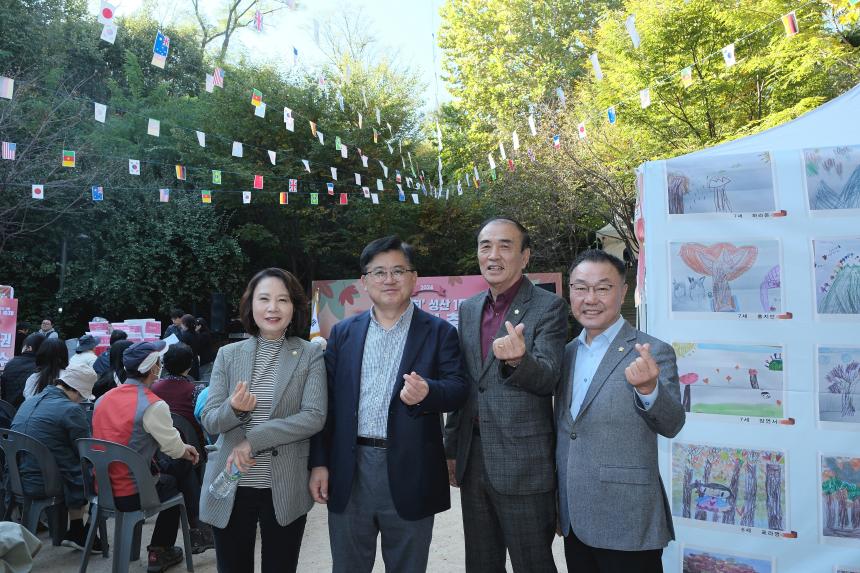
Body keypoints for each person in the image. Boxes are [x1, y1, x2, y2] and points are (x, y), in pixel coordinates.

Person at [309, 236, 468, 573]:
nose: (389, 279)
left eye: (398, 270)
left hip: (411, 467)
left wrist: (429, 392)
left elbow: (458, 389)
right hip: (349, 469)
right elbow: (328, 407)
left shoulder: (439, 332)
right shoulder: (343, 333)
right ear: (364, 282)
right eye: (378, 272)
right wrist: (320, 463)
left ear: (414, 278)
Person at [444, 217, 568, 573]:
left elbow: (549, 378)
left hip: (524, 463)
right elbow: (467, 383)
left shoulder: (548, 307)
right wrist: (452, 448)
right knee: (481, 564)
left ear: (525, 256)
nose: (493, 254)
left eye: (505, 246)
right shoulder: (469, 309)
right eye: (486, 246)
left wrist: (518, 360)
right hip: (474, 457)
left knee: (533, 564)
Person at [557, 250, 685, 573]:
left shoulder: (652, 351)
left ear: (623, 292)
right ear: (569, 291)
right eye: (580, 288)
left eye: (603, 288)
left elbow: (672, 424)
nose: (590, 298)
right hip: (575, 520)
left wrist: (648, 389)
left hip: (627, 521)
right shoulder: (566, 353)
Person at [199, 268, 327, 573]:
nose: (273, 308)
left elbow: (314, 416)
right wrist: (234, 408)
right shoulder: (228, 355)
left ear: (294, 306)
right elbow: (210, 422)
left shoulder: (310, 354)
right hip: (231, 484)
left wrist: (253, 440)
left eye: (282, 300)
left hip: (284, 485)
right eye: (265, 299)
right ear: (250, 305)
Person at [92, 341, 201, 572]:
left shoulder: (103, 399)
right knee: (179, 474)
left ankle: (195, 528)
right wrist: (187, 450)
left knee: (174, 471)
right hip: (132, 492)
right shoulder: (153, 405)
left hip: (103, 488)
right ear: (153, 369)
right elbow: (173, 448)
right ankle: (169, 544)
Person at [11, 363, 103, 551]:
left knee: (66, 459)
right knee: (95, 471)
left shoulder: (29, 402)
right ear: (78, 392)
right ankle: (82, 531)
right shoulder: (71, 409)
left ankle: (76, 530)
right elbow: (85, 450)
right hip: (47, 482)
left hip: (16, 478)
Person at [1, 333, 44, 408]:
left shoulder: (11, 363)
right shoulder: (43, 366)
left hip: (8, 409)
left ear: (29, 348)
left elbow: (3, 390)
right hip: (29, 412)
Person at [178, 315, 201, 380]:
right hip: (195, 360)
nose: (181, 326)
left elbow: (181, 349)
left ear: (185, 324)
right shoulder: (197, 334)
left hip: (186, 362)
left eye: (182, 324)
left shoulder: (185, 335)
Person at [194, 318, 216, 382]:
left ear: (199, 326)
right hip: (206, 359)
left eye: (195, 325)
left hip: (205, 360)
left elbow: (198, 346)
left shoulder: (203, 335)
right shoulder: (205, 334)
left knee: (204, 377)